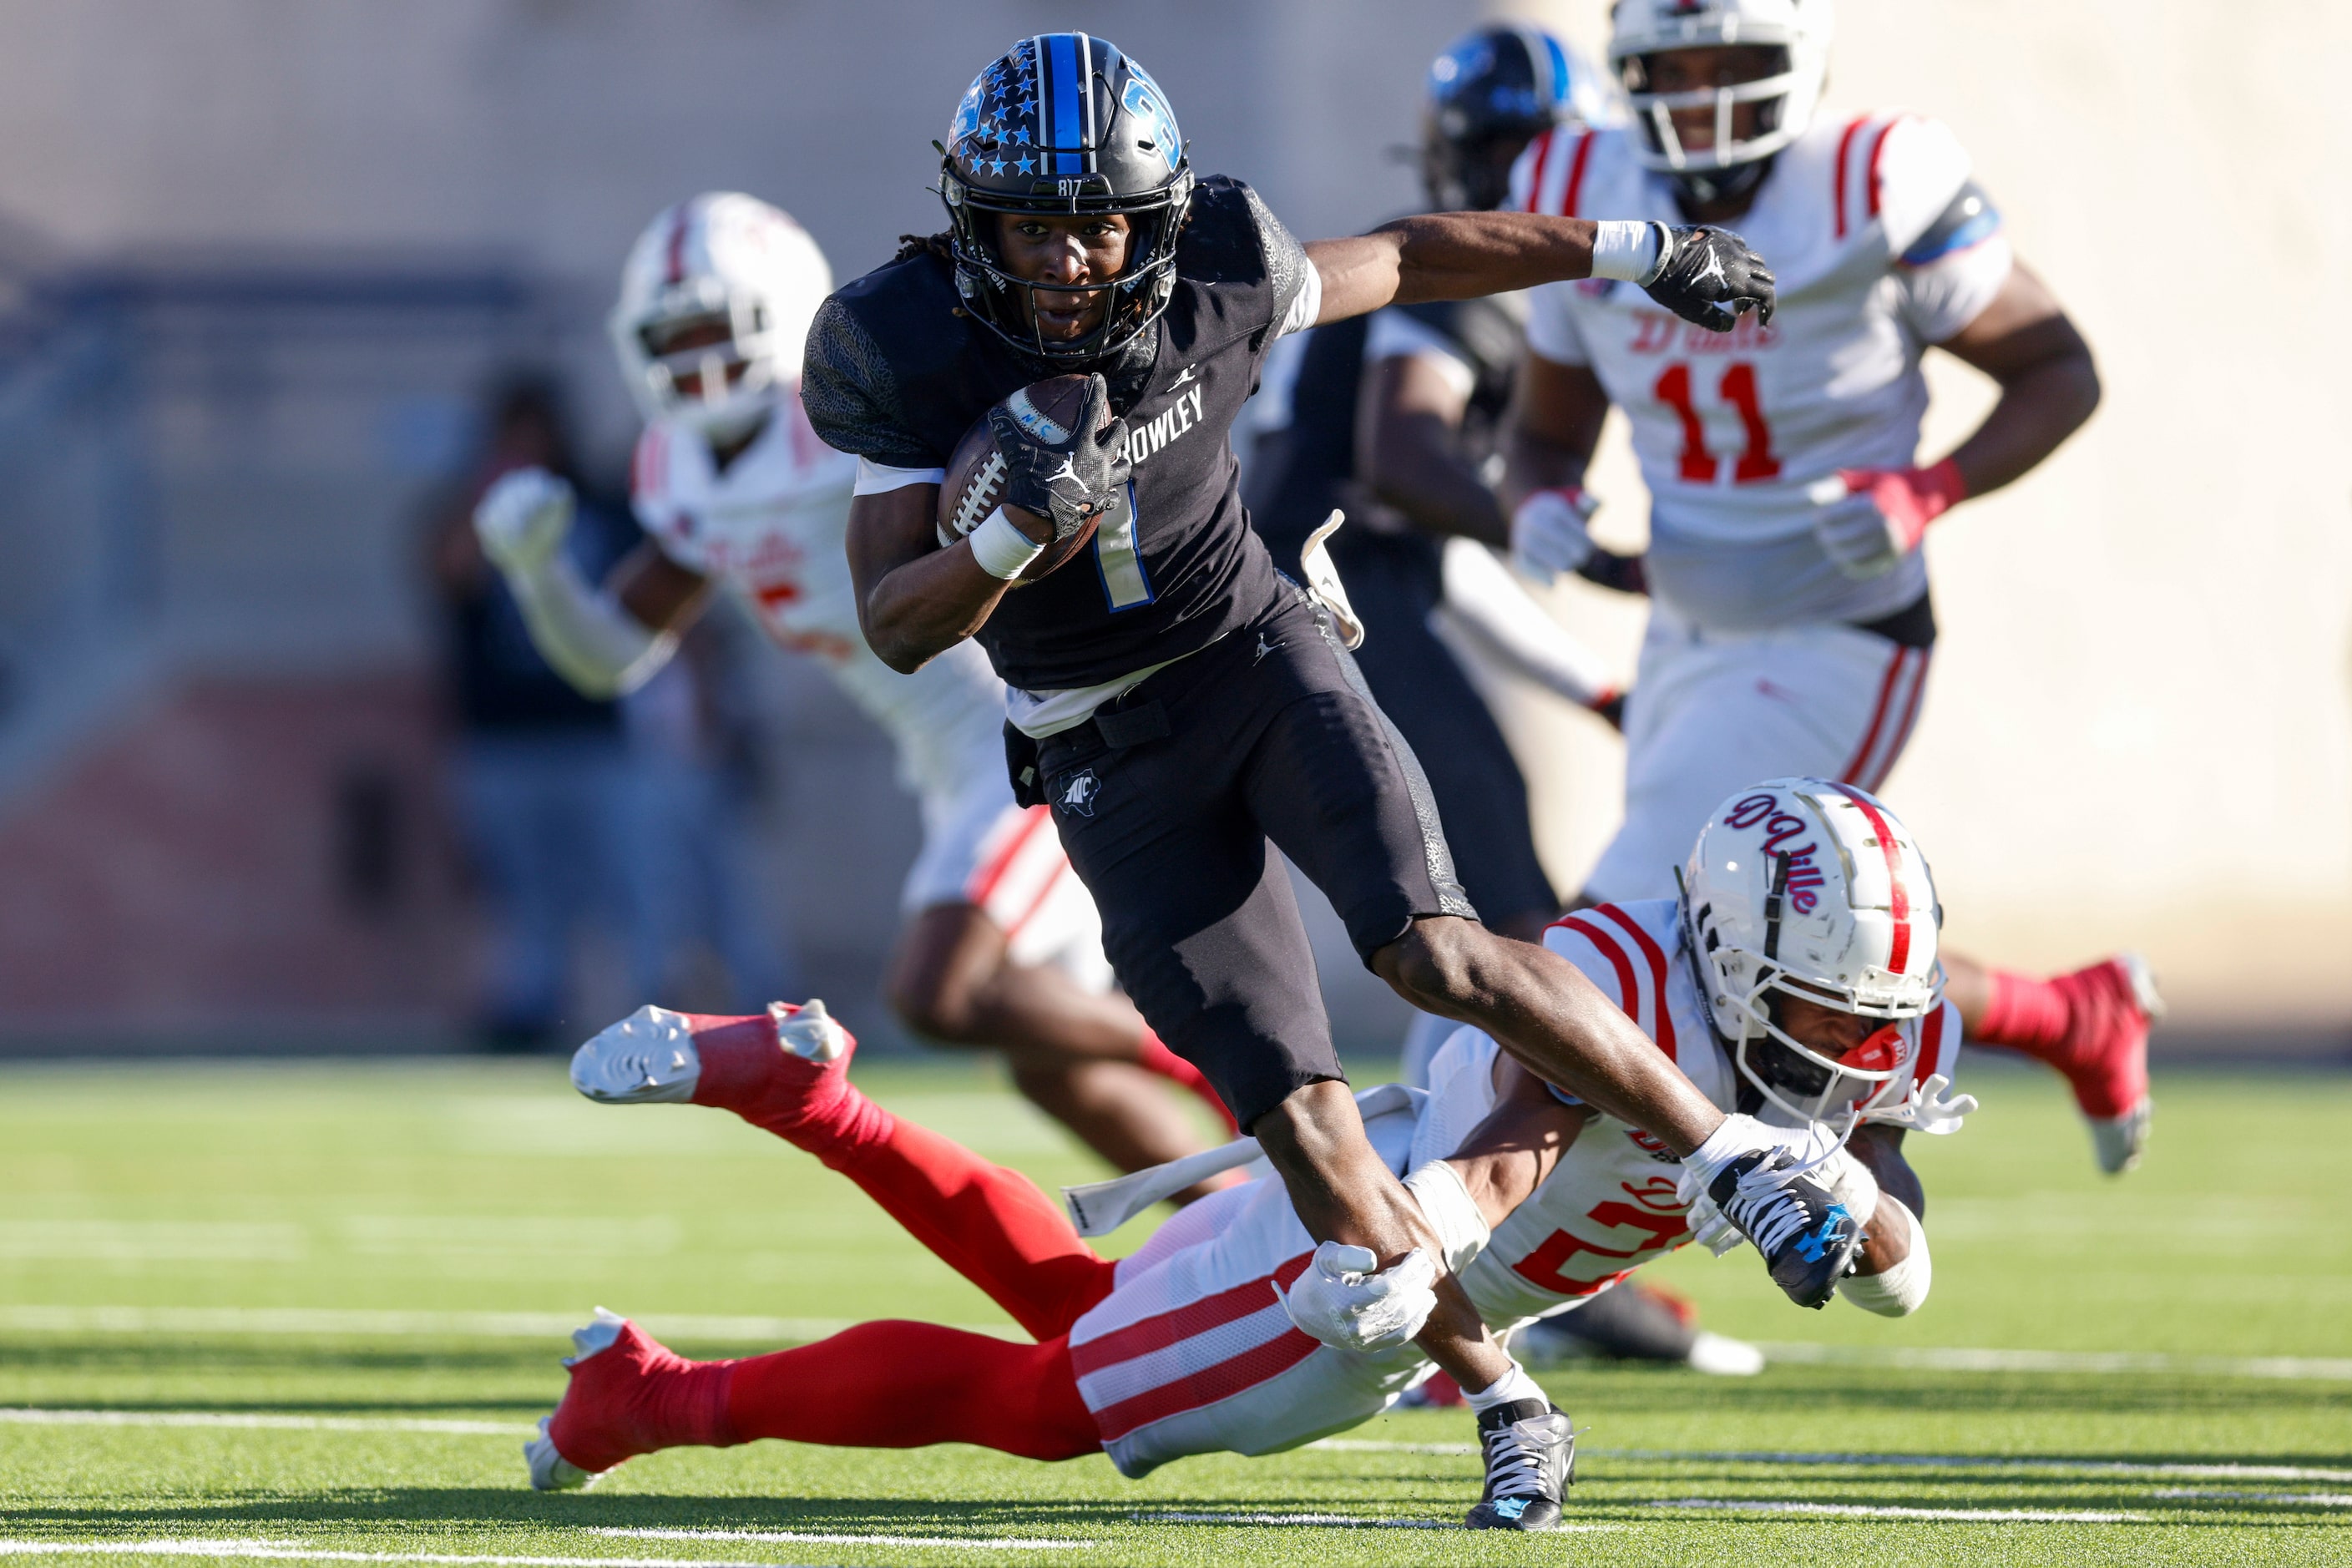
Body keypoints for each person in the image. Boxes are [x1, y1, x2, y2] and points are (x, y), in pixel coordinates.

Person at [800, 30, 1859, 1516]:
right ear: (974, 222)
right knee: (1296, 1116)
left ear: (1155, 218)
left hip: (1251, 657)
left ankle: (1735, 1155)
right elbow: (894, 622)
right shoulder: (900, 341)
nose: (1070, 254)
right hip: (1100, 743)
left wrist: (1634, 246)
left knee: (1431, 946)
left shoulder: (1219, 263)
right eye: (1034, 222)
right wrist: (995, 540)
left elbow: (1416, 257)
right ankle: (1504, 1396)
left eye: (1100, 217)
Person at [522, 777, 1963, 1530]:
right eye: (1828, 1005)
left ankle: (803, 1094)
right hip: (1372, 1252)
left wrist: (1844, 1194)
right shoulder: (1623, 1001)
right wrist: (1478, 1357)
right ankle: (651, 1399)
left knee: (1076, 1320)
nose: (1849, 1044)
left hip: (1374, 1217)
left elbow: (1899, 1266)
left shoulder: (1824, 1045)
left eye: (1872, 1014)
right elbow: (1505, 1166)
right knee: (1051, 1402)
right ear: (1725, 950)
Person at [1502, 0, 2159, 1173]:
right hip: (1688, 626)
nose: (1702, 96)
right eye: (1675, 67)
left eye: (1733, 64)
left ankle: (1511, 1252)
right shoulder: (1573, 176)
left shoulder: (1871, 178)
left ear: (1797, 63)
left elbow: (2059, 366)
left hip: (1835, 625)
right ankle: (2069, 1017)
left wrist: (1931, 485)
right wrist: (1535, 498)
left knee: (1607, 950)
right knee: (1735, 940)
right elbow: (1544, 433)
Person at [471, 194, 1232, 1185]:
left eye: (718, 329)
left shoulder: (855, 414)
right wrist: (540, 575)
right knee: (1047, 1068)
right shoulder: (674, 468)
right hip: (950, 762)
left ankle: (1242, 1079)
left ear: (784, 314)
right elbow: (614, 654)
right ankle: (1254, 1232)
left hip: (1034, 731)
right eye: (675, 338)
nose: (698, 363)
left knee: (938, 991)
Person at [425, 377, 645, 1050]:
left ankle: (635, 1015)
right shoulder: (468, 508)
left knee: (623, 885)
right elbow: (449, 575)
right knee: (522, 894)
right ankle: (529, 1012)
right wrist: (490, 496)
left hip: (592, 734)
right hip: (501, 736)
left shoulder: (603, 508)